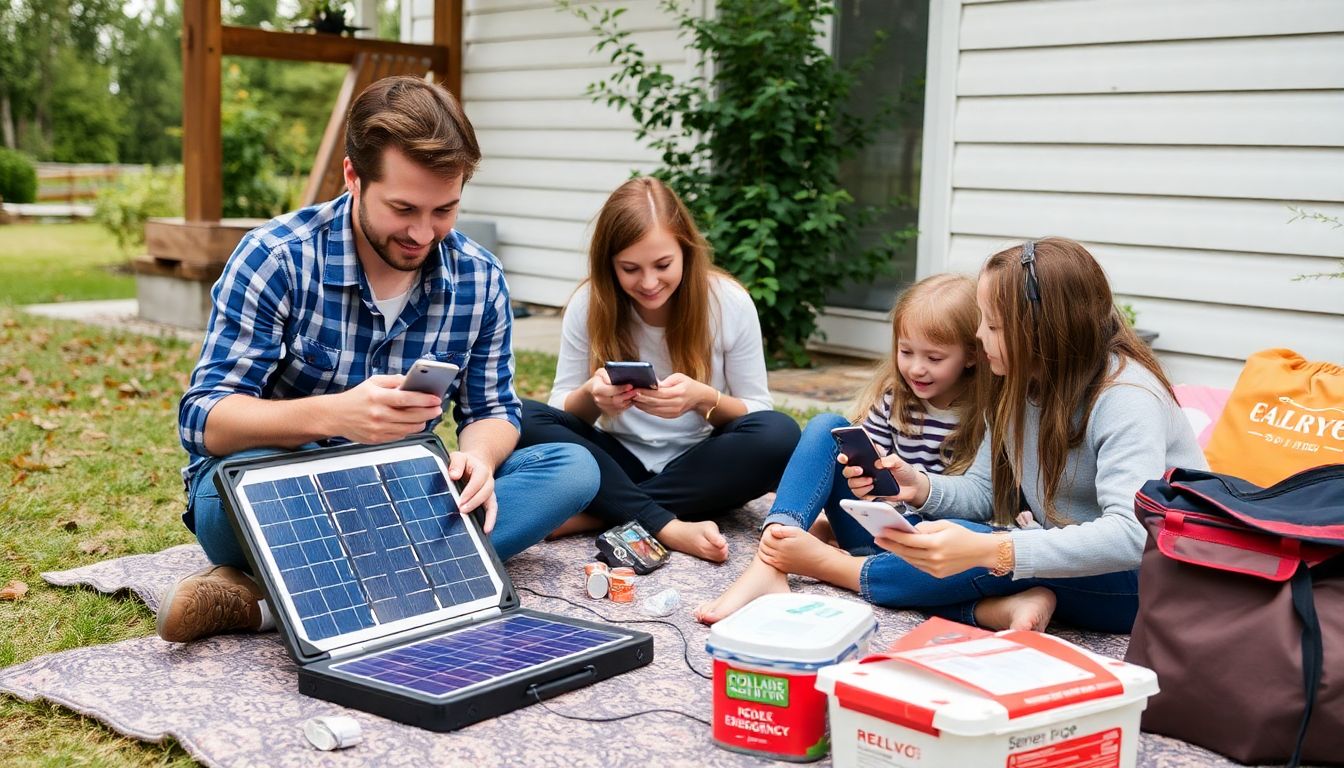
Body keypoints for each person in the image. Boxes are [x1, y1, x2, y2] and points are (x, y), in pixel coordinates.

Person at [156, 76, 600, 643]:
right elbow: (203, 420)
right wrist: (333, 416)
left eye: (445, 210)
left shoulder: (478, 276)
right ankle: (429, 574)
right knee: (231, 504)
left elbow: (492, 409)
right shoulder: (276, 258)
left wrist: (480, 461)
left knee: (571, 468)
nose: (423, 233)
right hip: (276, 486)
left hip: (400, 489)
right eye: (403, 208)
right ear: (352, 176)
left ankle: (260, 601)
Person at [839, 238, 1203, 633]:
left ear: (1042, 332)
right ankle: (1001, 603)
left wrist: (998, 549)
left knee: (979, 547)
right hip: (1067, 561)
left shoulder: (1126, 397)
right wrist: (918, 488)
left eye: (993, 325)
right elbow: (983, 492)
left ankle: (832, 567)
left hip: (1146, 583)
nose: (979, 335)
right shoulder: (1017, 381)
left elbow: (1133, 535)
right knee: (973, 542)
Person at [517, 177, 801, 563]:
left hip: (700, 461)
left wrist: (704, 399)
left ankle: (598, 513)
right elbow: (561, 411)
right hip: (617, 459)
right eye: (630, 268)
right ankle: (667, 525)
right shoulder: (589, 303)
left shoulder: (728, 302)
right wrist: (593, 396)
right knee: (520, 416)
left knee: (780, 433)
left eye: (663, 265)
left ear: (686, 250)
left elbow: (758, 410)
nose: (649, 282)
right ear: (609, 265)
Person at [696, 274, 990, 623]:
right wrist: (861, 473)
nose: (916, 368)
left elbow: (981, 508)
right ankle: (770, 559)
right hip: (878, 532)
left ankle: (986, 609)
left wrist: (912, 491)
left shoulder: (985, 414)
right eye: (906, 351)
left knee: (951, 575)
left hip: (934, 552)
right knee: (826, 426)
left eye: (935, 358)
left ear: (971, 356)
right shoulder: (895, 398)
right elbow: (859, 465)